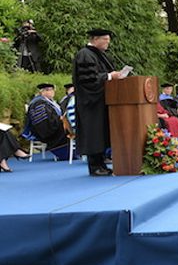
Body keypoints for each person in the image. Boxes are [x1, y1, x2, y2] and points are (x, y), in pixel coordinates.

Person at [72, 29, 122, 176]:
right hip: (90, 102)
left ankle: (101, 164)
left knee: (100, 133)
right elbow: (89, 80)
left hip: (100, 101)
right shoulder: (85, 55)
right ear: (95, 39)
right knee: (94, 134)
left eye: (108, 39)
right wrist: (109, 76)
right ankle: (95, 167)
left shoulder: (98, 54)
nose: (108, 42)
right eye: (105, 39)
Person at [21, 83, 71, 160]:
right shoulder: (38, 103)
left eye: (52, 90)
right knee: (66, 127)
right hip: (44, 130)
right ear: (43, 92)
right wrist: (60, 120)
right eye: (49, 90)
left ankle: (73, 152)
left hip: (53, 125)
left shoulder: (50, 101)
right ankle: (67, 154)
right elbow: (44, 121)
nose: (52, 92)